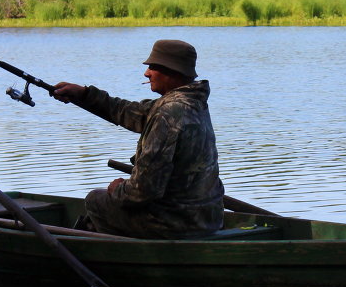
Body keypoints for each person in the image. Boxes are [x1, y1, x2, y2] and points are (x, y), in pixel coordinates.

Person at [51, 39, 225, 239]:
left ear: (172, 70)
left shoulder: (167, 114)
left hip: (176, 224)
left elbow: (143, 190)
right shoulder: (193, 103)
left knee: (95, 200)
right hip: (208, 218)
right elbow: (129, 112)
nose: (147, 73)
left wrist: (117, 189)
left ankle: (117, 257)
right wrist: (83, 94)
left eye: (153, 67)